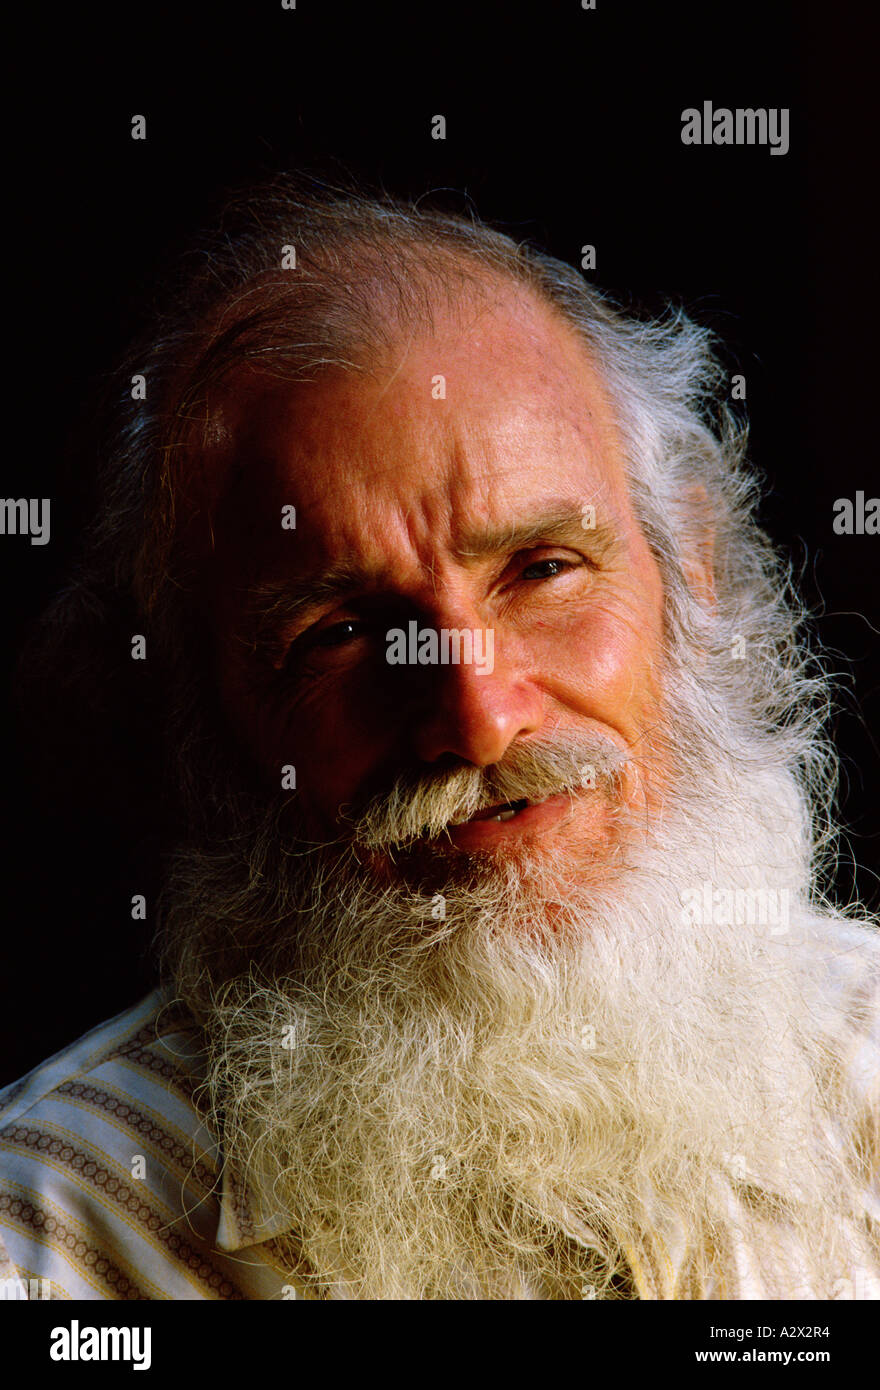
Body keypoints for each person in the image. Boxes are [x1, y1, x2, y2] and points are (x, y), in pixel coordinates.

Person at [1, 179, 878, 1300]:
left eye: (543, 569)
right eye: (344, 633)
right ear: (203, 710)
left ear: (688, 572)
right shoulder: (53, 1249)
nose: (476, 716)